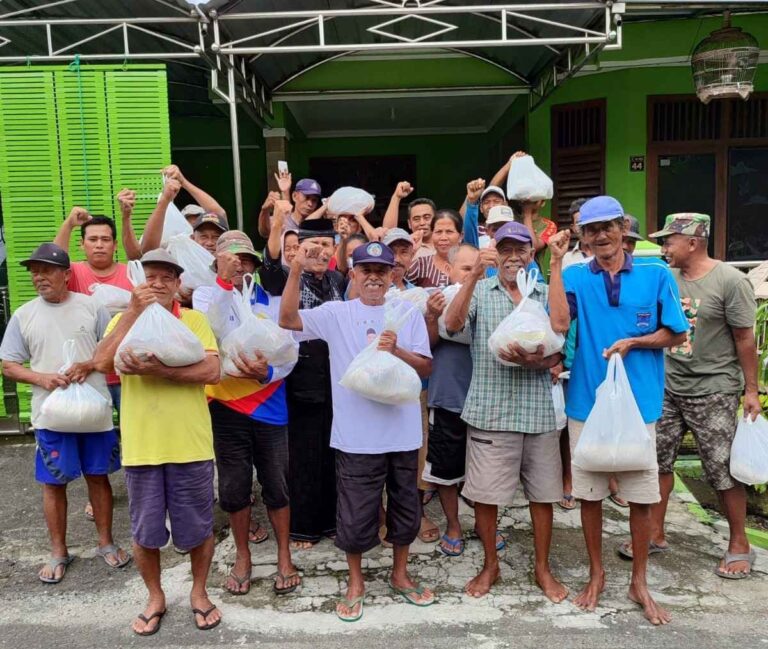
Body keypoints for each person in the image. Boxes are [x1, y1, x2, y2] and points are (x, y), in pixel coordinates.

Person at [548, 195, 689, 626]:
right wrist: (554, 264)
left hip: (640, 405)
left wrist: (634, 342)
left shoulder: (655, 272)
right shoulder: (575, 275)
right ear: (583, 238)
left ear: (623, 229)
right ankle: (597, 573)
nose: (601, 236)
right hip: (587, 403)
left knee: (641, 497)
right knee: (589, 495)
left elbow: (676, 334)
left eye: (608, 227)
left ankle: (640, 582)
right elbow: (557, 324)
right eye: (591, 231)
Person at [280, 241, 435, 622]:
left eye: (381, 271)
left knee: (405, 507)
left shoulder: (406, 312)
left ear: (391, 276)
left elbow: (426, 368)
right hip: (356, 435)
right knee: (354, 513)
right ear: (353, 274)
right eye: (366, 270)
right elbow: (287, 320)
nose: (374, 278)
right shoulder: (336, 313)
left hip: (402, 433)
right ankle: (356, 582)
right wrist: (296, 269)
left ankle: (400, 574)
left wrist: (396, 350)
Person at [92, 248, 222, 636]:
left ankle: (199, 592)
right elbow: (100, 363)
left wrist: (159, 370)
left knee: (198, 528)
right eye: (151, 276)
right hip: (142, 448)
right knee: (144, 532)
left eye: (168, 276)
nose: (159, 283)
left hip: (191, 445)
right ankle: (155, 597)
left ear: (179, 284)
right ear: (138, 282)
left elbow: (213, 369)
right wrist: (132, 313)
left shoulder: (194, 320)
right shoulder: (121, 319)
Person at [443, 223, 567, 602]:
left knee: (543, 496)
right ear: (494, 252)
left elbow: (560, 333)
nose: (513, 256)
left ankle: (542, 569)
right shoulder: (481, 290)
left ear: (532, 254)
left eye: (521, 249)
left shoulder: (543, 292)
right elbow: (451, 324)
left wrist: (538, 362)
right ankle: (490, 564)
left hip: (538, 415)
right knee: (486, 497)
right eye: (505, 248)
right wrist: (475, 274)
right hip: (490, 412)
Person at [636, 213, 761, 578]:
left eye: (669, 241)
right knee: (657, 462)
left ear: (693, 242)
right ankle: (655, 533)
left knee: (721, 469)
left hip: (714, 389)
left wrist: (750, 390)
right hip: (668, 384)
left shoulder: (729, 281)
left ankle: (739, 542)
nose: (664, 248)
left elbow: (744, 338)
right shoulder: (667, 278)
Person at [0, 243, 129, 584]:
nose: (39, 277)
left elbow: (111, 349)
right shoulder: (24, 314)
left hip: (94, 411)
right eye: (34, 271)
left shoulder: (92, 307)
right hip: (51, 413)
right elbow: (9, 365)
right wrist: (41, 377)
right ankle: (59, 550)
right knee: (53, 482)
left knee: (98, 476)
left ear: (66, 275)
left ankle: (105, 542)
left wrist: (89, 365)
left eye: (47, 270)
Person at [193, 231, 301, 596]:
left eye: (245, 260)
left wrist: (267, 373)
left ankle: (284, 554)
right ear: (218, 264)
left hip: (269, 404)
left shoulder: (269, 301)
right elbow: (214, 330)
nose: (239, 265)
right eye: (231, 259)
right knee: (234, 487)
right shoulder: (207, 295)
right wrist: (224, 282)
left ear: (254, 265)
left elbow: (289, 352)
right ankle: (243, 555)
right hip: (226, 406)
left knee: (277, 484)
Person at [54, 204, 135, 521]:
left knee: (132, 435)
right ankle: (98, 495)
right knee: (97, 440)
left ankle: (137, 490)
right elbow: (54, 257)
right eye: (92, 239)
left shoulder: (130, 273)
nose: (99, 244)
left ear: (115, 244)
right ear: (83, 244)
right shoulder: (74, 273)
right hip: (92, 376)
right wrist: (69, 224)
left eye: (105, 239)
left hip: (129, 373)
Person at [272, 218, 347, 549]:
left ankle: (331, 520)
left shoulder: (338, 279)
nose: (318, 252)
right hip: (301, 371)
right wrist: (296, 268)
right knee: (303, 452)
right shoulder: (284, 276)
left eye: (325, 246)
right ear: (298, 249)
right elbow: (284, 319)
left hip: (336, 373)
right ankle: (303, 527)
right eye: (310, 246)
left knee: (333, 450)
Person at [422, 243, 479, 556]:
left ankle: (486, 524)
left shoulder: (492, 298)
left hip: (485, 401)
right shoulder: (437, 299)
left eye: (477, 269)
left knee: (485, 471)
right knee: (445, 470)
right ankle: (454, 524)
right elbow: (439, 336)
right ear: (450, 270)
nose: (471, 275)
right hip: (448, 397)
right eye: (466, 269)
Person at [406, 209, 462, 288]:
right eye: (438, 232)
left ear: (461, 236)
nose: (443, 238)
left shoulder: (470, 264)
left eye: (449, 231)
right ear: (432, 235)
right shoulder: (420, 265)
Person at [382, 182, 436, 259]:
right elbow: (387, 233)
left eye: (427, 218)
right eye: (416, 219)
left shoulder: (447, 242)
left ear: (436, 220)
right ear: (409, 223)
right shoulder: (406, 246)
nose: (422, 223)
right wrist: (396, 197)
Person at [562, 198, 590, 269]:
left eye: (587, 222)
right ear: (573, 228)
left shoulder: (605, 253)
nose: (584, 228)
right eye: (578, 223)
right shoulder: (567, 259)